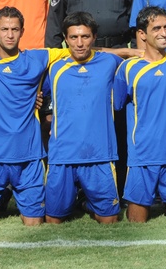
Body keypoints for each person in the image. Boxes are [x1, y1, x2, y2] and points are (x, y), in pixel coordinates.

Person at [0, 7, 53, 227]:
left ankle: (9, 192)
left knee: (33, 223)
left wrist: (128, 53)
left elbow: (78, 51)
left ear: (22, 31)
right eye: (4, 29)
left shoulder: (37, 59)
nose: (10, 34)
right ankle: (3, 195)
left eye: (15, 29)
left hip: (28, 157)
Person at [113, 7, 166, 222]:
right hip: (142, 156)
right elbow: (117, 105)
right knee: (136, 224)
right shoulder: (127, 69)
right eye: (156, 28)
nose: (164, 32)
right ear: (142, 34)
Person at [42, 12, 124, 224]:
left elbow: (141, 58)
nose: (79, 43)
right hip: (63, 156)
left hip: (99, 155)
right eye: (74, 37)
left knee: (110, 220)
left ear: (94, 37)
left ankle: (86, 202)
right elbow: (36, 93)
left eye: (85, 37)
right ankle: (77, 199)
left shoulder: (109, 62)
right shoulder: (54, 68)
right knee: (53, 220)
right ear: (65, 39)